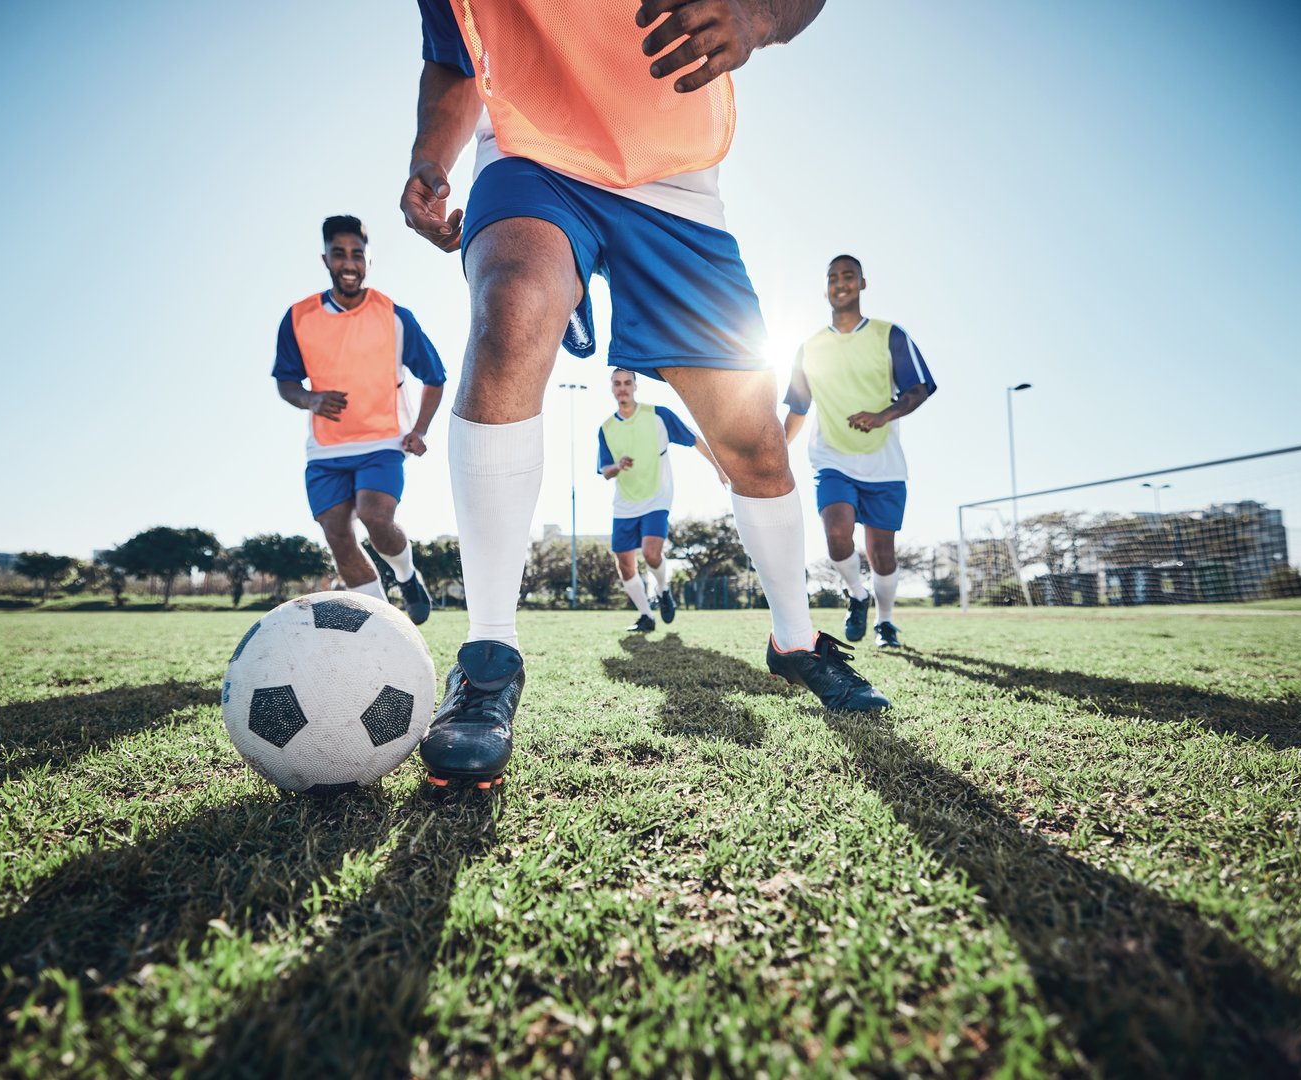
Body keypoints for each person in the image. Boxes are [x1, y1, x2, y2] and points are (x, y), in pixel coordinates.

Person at [404, 0, 889, 789]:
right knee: (512, 309)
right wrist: (430, 157)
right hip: (531, 150)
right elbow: (456, 52)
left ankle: (794, 641)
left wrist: (756, 16)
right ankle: (488, 655)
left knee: (755, 446)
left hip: (673, 181)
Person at [271, 215, 446, 625]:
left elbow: (434, 377)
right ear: (325, 259)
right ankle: (384, 625)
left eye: (357, 255)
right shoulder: (298, 318)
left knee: (375, 517)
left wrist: (419, 430)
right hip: (326, 448)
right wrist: (310, 399)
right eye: (339, 254)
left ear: (368, 260)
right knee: (337, 534)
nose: (349, 263)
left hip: (383, 441)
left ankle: (406, 574)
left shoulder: (395, 316)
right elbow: (285, 381)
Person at [783, 254, 937, 648]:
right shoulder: (810, 347)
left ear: (862, 284)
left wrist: (884, 414)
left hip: (883, 462)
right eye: (833, 277)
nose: (840, 282)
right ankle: (856, 593)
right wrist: (775, 451)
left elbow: (918, 388)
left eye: (848, 275)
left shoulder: (890, 335)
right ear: (825, 288)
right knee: (836, 532)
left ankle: (885, 622)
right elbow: (798, 408)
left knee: (882, 553)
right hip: (832, 457)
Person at [598, 367, 727, 631]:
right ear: (612, 388)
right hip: (624, 503)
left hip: (657, 497)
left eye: (627, 382)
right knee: (624, 564)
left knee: (651, 552)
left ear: (635, 386)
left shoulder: (658, 416)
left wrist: (719, 468)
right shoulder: (606, 428)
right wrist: (618, 466)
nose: (622, 387)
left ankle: (663, 589)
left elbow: (695, 440)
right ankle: (646, 616)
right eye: (617, 383)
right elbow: (605, 471)